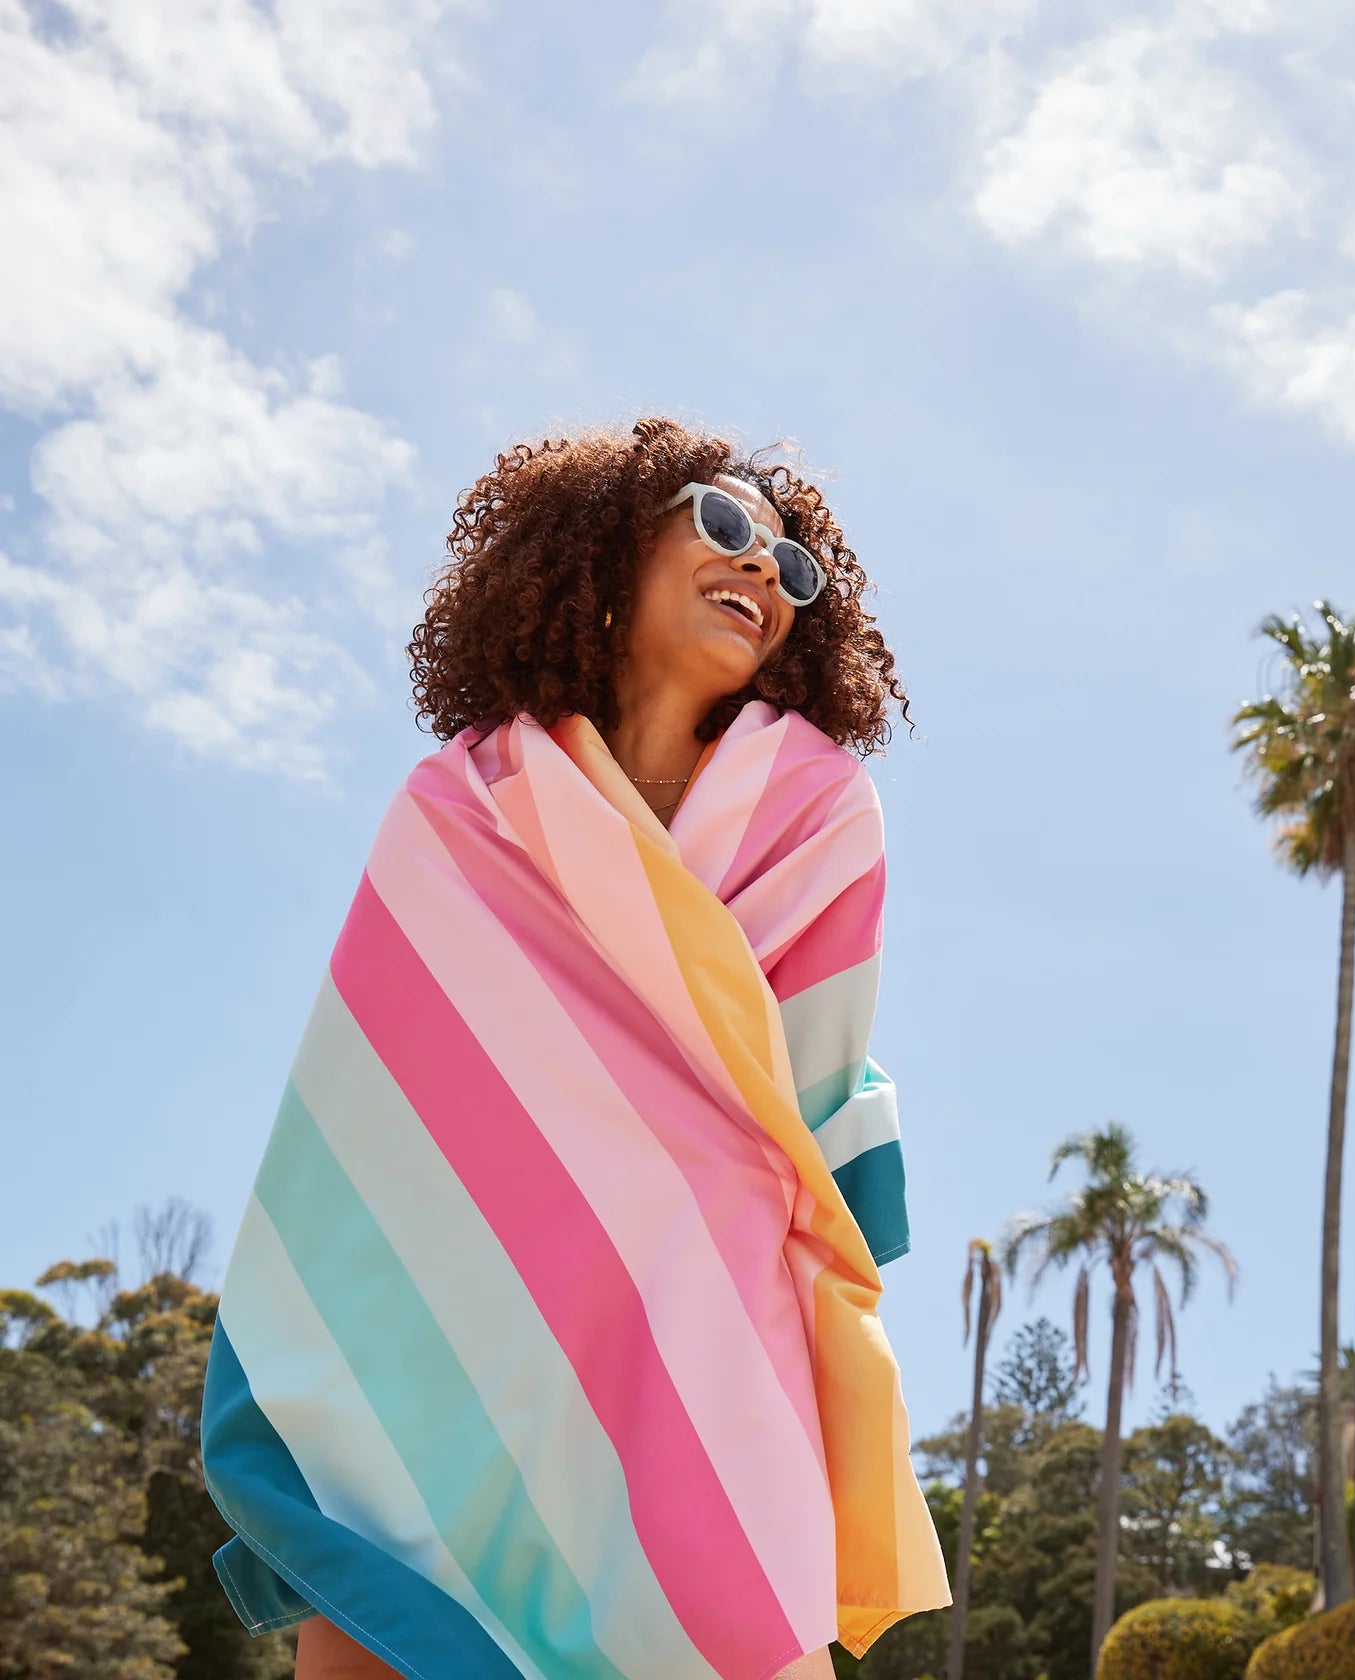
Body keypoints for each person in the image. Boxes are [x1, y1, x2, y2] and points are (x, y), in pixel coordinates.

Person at [200, 417, 951, 1680]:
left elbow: (804, 1091)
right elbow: (386, 1085)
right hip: (453, 1306)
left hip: (697, 1309)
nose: (765, 569)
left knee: (745, 1631)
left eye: (794, 567)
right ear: (604, 558)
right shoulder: (466, 801)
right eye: (723, 525)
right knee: (382, 1613)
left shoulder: (820, 807)